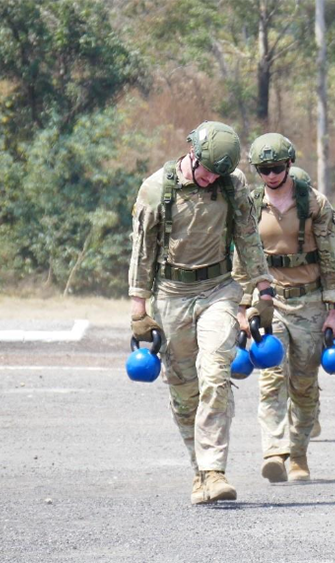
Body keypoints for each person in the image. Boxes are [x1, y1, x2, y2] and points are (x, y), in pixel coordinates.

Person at [128, 121, 272, 504]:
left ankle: (214, 470)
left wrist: (263, 286)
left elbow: (247, 234)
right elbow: (142, 252)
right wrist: (139, 309)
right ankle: (199, 472)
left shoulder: (231, 183)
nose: (211, 178)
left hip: (218, 290)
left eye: (218, 173)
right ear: (192, 152)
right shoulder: (157, 189)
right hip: (171, 293)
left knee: (216, 370)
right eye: (207, 170)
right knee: (183, 388)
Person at [233, 133, 335, 483]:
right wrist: (241, 305)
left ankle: (298, 455)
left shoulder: (315, 204)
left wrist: (334, 309)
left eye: (277, 168)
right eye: (263, 169)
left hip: (309, 300)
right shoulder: (249, 205)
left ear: (290, 164)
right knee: (271, 379)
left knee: (304, 384)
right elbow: (242, 259)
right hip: (269, 302)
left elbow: (329, 259)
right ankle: (274, 452)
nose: (270, 175)